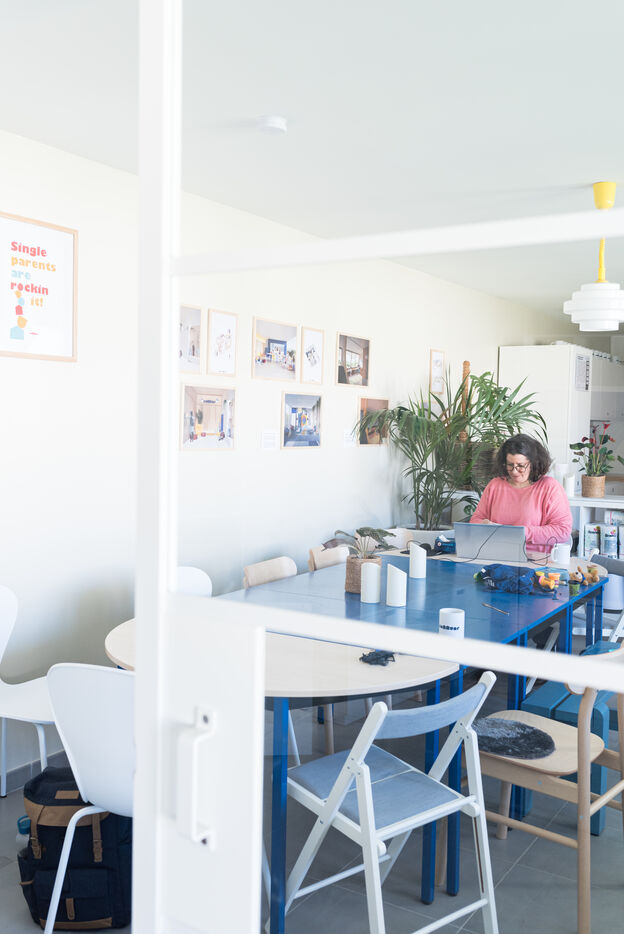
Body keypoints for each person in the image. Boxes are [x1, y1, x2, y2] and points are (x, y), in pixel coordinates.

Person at [470, 434, 572, 554]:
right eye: (510, 465)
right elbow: (475, 520)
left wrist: (520, 533)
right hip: (495, 554)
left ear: (533, 463)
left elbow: (562, 531)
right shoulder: (495, 485)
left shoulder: (549, 487)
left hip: (535, 558)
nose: (514, 471)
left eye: (521, 466)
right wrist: (483, 524)